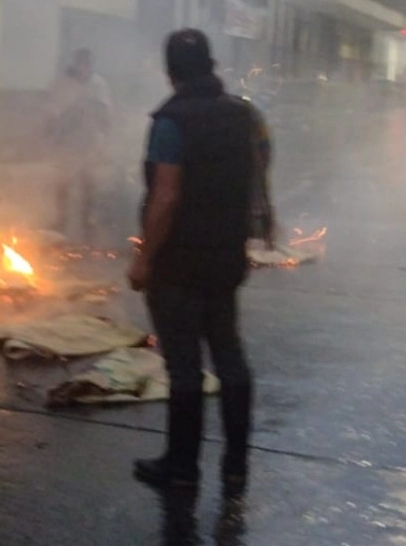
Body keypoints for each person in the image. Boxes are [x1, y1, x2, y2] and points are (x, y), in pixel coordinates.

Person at [128, 29, 273, 492]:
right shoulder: (244, 115)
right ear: (211, 65)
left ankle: (182, 466)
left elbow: (166, 197)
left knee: (185, 366)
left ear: (170, 71)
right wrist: (260, 224)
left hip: (179, 264)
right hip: (226, 256)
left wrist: (144, 259)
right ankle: (236, 462)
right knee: (229, 354)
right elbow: (260, 171)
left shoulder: (171, 122)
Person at [45, 48, 112, 241]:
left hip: (89, 139)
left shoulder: (98, 84)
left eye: (87, 64)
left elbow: (105, 111)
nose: (83, 68)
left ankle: (87, 216)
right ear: (76, 64)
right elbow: (53, 110)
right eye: (81, 63)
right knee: (63, 180)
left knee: (88, 180)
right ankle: (61, 217)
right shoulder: (63, 83)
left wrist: (104, 133)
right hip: (67, 140)